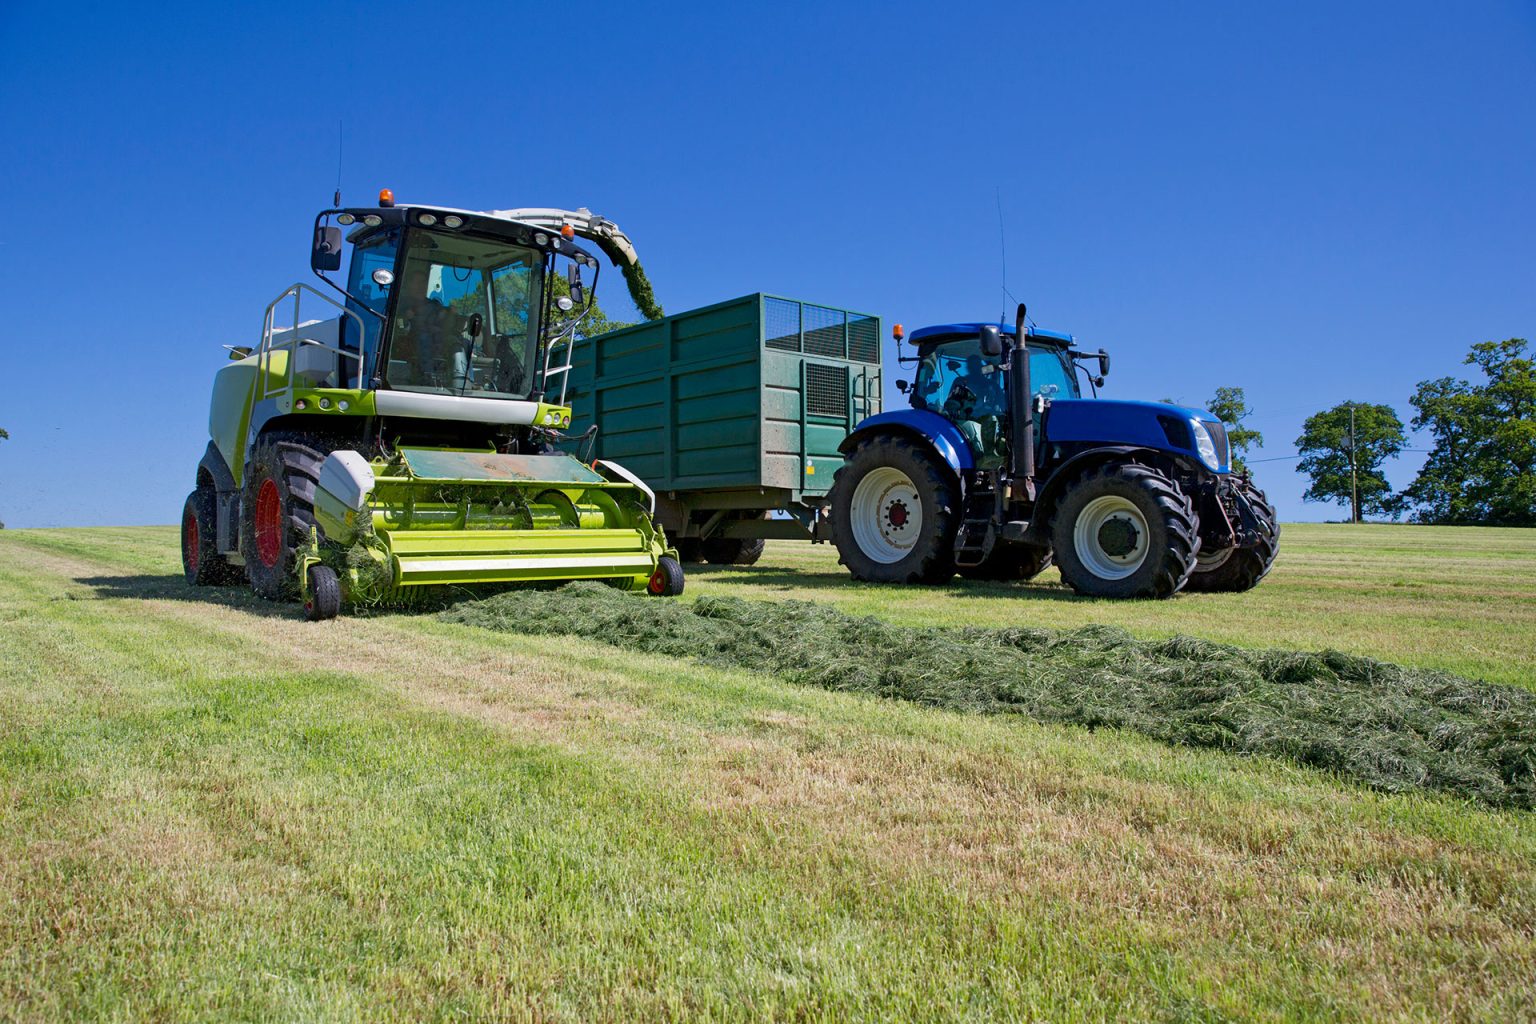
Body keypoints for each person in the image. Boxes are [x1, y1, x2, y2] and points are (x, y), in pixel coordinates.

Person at [390, 264, 456, 384]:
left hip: (438, 342)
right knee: (424, 337)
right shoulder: (399, 304)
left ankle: (464, 381)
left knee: (461, 343)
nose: (421, 286)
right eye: (417, 282)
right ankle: (428, 377)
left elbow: (446, 327)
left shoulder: (435, 305)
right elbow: (398, 325)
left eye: (424, 282)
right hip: (410, 342)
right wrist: (405, 319)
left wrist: (450, 315)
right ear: (408, 285)